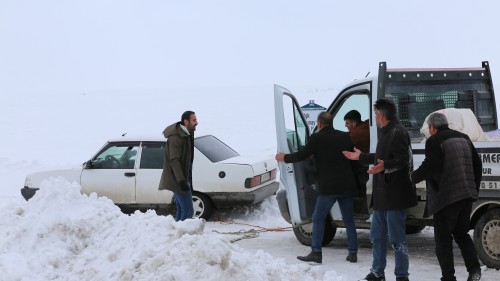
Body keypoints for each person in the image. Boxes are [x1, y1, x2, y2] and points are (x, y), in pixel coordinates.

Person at [343, 99, 417, 281]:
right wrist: (361, 157)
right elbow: (380, 158)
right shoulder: (387, 132)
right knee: (377, 236)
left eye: (375, 114)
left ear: (381, 115)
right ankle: (377, 272)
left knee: (397, 239)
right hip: (382, 196)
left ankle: (402, 275)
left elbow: (403, 161)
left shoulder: (398, 132)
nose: (374, 118)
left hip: (395, 196)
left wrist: (385, 167)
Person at [275, 112, 359, 264]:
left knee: (318, 218)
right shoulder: (345, 136)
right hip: (347, 185)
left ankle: (316, 252)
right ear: (331, 122)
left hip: (329, 188)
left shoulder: (317, 138)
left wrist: (284, 158)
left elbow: (301, 155)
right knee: (349, 220)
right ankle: (353, 253)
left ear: (319, 124)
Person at [410, 112, 482, 281]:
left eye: (429, 128)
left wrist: (413, 177)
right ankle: (474, 270)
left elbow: (431, 164)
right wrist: (473, 189)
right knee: (461, 234)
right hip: (466, 195)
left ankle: (448, 277)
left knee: (443, 240)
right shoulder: (464, 137)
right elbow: (477, 164)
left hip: (446, 198)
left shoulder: (434, 141)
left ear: (432, 127)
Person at [159, 111, 198, 221]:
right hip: (178, 180)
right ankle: (183, 234)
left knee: (182, 210)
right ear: (186, 122)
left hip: (183, 178)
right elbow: (174, 161)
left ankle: (178, 232)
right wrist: (181, 181)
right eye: (194, 120)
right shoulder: (176, 138)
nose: (197, 123)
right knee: (188, 211)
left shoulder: (186, 134)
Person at [344, 110, 370, 213]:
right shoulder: (367, 125)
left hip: (363, 167)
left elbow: (344, 142)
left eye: (347, 123)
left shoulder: (356, 133)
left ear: (354, 123)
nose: (346, 126)